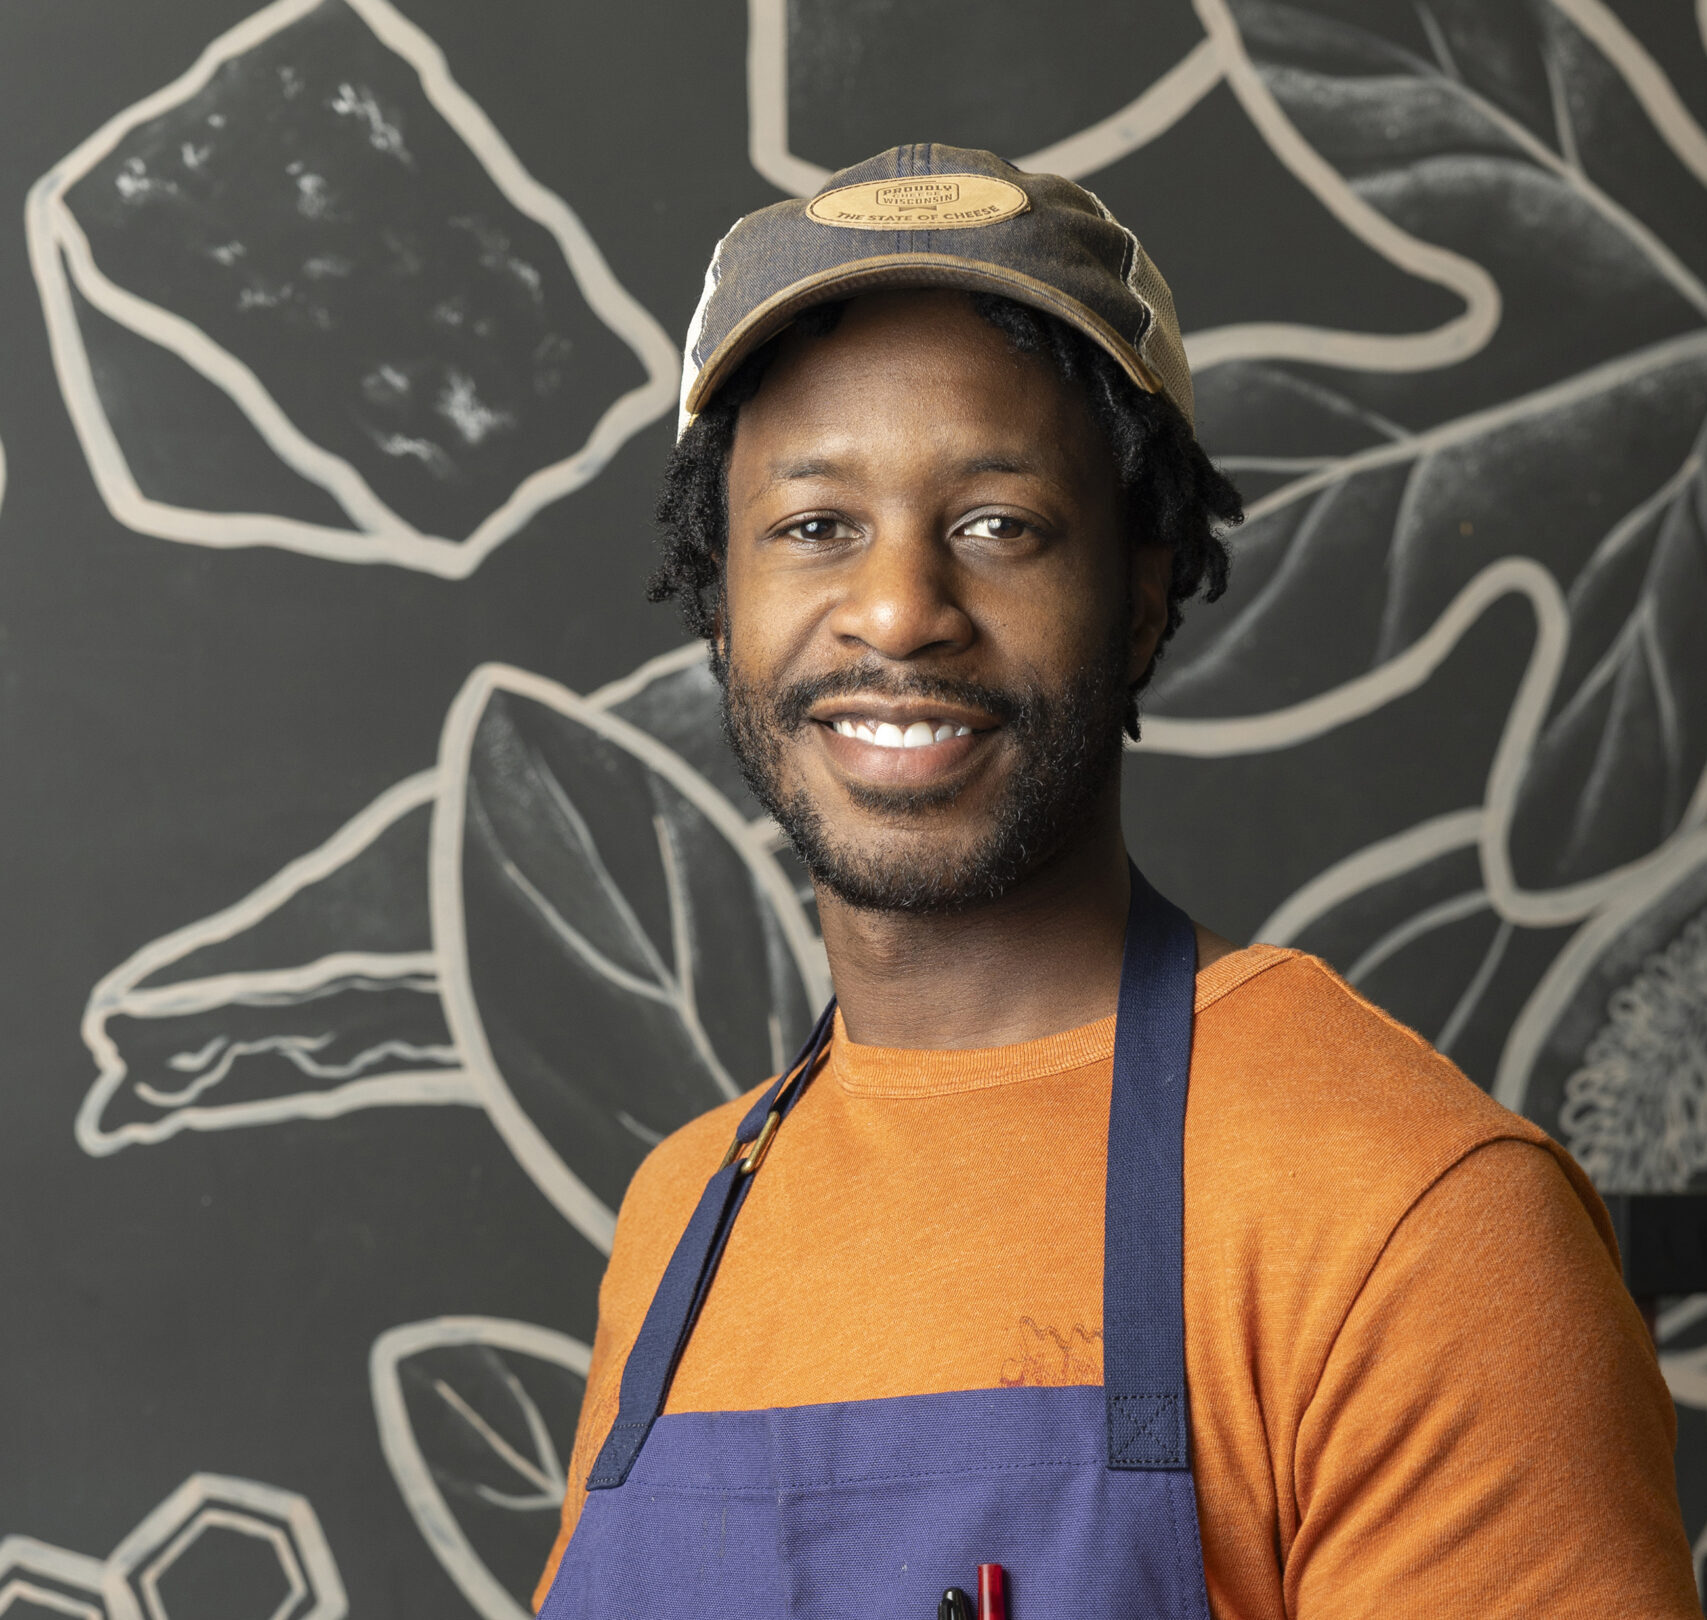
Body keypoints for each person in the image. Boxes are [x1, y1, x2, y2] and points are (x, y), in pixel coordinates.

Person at [533, 145, 1696, 1617]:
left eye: (997, 526)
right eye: (816, 526)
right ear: (720, 600)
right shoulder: (680, 1219)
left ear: (1144, 589)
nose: (898, 607)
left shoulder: (1417, 1218)